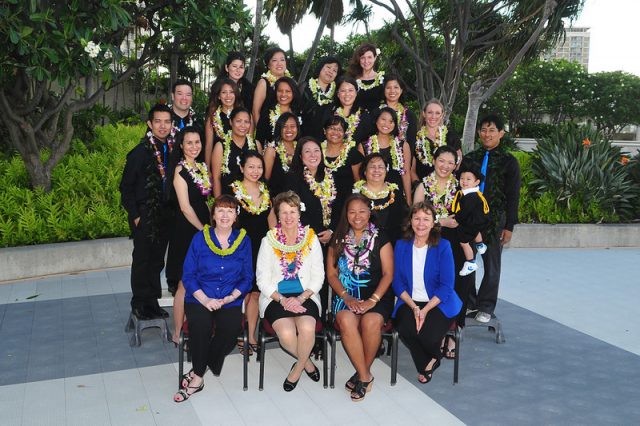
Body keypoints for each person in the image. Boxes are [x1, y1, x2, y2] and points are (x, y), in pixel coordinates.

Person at [174, 195, 253, 402]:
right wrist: (205, 300)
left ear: (236, 216)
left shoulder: (244, 240)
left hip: (230, 298)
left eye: (230, 210)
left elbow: (247, 278)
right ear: (213, 215)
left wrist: (230, 298)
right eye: (220, 210)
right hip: (200, 297)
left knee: (231, 329)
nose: (225, 215)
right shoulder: (200, 238)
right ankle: (198, 378)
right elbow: (188, 275)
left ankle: (198, 370)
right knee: (200, 326)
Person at [326, 194, 394, 401]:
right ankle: (365, 375)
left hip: (377, 295)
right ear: (346, 214)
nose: (357, 216)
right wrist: (346, 297)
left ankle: (360, 372)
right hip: (346, 294)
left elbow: (388, 274)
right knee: (346, 320)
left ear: (369, 212)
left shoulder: (381, 236)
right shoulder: (337, 238)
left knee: (371, 321)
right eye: (352, 211)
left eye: (362, 211)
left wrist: (372, 301)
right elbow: (331, 274)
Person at [256, 191, 324, 391]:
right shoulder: (268, 241)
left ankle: (296, 370)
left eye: (292, 212)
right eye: (283, 212)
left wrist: (302, 298)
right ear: (277, 215)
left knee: (307, 329)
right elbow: (262, 280)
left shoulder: (311, 240)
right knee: (286, 334)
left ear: (299, 214)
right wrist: (283, 300)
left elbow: (318, 276)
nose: (288, 217)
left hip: (306, 295)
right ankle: (307, 363)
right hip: (275, 298)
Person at [392, 201, 462, 384]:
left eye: (426, 219)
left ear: (433, 223)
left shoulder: (443, 246)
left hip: (439, 301)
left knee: (428, 337)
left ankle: (432, 356)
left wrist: (425, 310)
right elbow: (397, 283)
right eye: (417, 218)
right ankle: (430, 361)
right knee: (407, 329)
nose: (421, 223)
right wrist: (415, 308)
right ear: (410, 221)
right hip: (410, 301)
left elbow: (447, 286)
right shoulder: (401, 245)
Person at [120, 104, 175, 320]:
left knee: (157, 261)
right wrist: (136, 215)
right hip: (145, 213)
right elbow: (126, 188)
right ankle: (139, 304)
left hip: (165, 215)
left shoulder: (171, 150)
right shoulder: (140, 152)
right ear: (149, 124)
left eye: (167, 122)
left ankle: (152, 303)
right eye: (158, 121)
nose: (163, 126)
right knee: (142, 259)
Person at [413, 145, 469, 359]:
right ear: (434, 161)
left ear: (456, 165)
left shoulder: (461, 185)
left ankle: (451, 334)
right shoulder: (423, 186)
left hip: (455, 244)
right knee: (432, 286)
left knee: (454, 286)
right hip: (429, 243)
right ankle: (432, 330)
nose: (445, 166)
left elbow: (468, 215)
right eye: (441, 161)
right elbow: (416, 217)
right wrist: (439, 221)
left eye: (450, 162)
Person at [464, 114, 521, 323]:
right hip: (469, 219)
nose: (487, 134)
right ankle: (469, 301)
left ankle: (486, 306)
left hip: (494, 221)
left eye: (492, 130)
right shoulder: (471, 159)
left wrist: (509, 226)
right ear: (479, 132)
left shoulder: (509, 162)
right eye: (484, 130)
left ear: (501, 134)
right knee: (466, 260)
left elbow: (513, 195)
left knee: (492, 263)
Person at [165, 127, 212, 343]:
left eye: (197, 142)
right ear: (181, 146)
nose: (194, 147)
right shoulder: (179, 171)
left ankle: (195, 326)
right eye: (189, 143)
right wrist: (203, 229)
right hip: (186, 231)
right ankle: (177, 332)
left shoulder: (202, 167)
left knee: (201, 280)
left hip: (203, 227)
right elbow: (185, 207)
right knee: (185, 283)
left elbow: (205, 201)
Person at [230, 151, 275, 355]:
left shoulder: (266, 191)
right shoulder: (233, 191)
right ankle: (236, 332)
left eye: (259, 167)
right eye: (251, 167)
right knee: (242, 292)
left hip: (262, 248)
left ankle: (251, 335)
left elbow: (272, 221)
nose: (255, 171)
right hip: (239, 248)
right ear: (242, 168)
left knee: (256, 293)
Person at [284, 136, 337, 245]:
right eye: (307, 151)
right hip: (304, 240)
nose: (313, 155)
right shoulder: (292, 178)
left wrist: (331, 230)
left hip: (330, 238)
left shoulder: (331, 176)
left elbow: (339, 205)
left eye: (316, 150)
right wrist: (313, 235)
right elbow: (292, 209)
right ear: (300, 155)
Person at [359, 107, 412, 206]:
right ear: (376, 120)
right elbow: (361, 174)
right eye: (383, 119)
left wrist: (408, 200)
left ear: (395, 124)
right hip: (371, 197)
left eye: (391, 121)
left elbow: (406, 173)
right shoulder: (364, 145)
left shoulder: (403, 145)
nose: (386, 124)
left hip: (397, 196)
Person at [353, 153, 406, 245]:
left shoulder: (395, 192)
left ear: (386, 171)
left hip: (393, 244)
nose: (376, 170)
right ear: (365, 171)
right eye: (372, 167)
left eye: (381, 167)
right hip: (362, 245)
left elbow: (403, 221)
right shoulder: (355, 193)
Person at [322, 115, 363, 227]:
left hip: (345, 207)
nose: (335, 132)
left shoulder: (352, 154)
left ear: (344, 133)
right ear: (324, 131)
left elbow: (358, 182)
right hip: (322, 205)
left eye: (340, 129)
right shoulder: (317, 152)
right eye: (332, 128)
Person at [211, 107, 261, 197]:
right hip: (228, 201)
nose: (243, 125)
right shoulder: (220, 146)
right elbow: (216, 178)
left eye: (246, 122)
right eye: (238, 121)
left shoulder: (256, 145)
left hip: (251, 200)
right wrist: (219, 203)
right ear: (231, 122)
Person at [452, 159, 490, 277]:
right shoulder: (471, 193)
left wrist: (456, 219)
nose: (464, 181)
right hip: (479, 220)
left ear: (477, 181)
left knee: (463, 241)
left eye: (468, 179)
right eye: (462, 178)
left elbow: (464, 212)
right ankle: (480, 244)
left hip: (473, 221)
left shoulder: (470, 197)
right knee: (475, 230)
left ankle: (470, 262)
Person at [411, 99, 461, 183]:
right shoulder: (415, 139)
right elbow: (412, 170)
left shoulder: (451, 137)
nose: (433, 116)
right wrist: (419, 187)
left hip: (447, 188)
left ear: (442, 115)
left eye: (437, 113)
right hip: (422, 188)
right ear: (424, 114)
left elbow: (457, 165)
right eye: (430, 112)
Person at [204, 78, 242, 171]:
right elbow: (208, 146)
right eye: (224, 92)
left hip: (240, 163)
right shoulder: (212, 118)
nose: (228, 96)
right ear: (219, 96)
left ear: (236, 95)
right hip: (218, 165)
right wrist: (208, 170)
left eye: (231, 92)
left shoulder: (244, 115)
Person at [300, 56, 341, 140]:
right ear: (320, 67)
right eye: (328, 67)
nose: (331, 71)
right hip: (303, 139)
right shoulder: (304, 87)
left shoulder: (337, 94)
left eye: (334, 70)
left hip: (326, 142)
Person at [256, 76, 300, 148]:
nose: (283, 94)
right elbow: (259, 139)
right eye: (280, 91)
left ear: (294, 93)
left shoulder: (299, 113)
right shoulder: (267, 113)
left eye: (287, 91)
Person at [252, 47, 291, 127]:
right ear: (268, 65)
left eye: (282, 60)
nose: (279, 63)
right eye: (274, 60)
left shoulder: (291, 83)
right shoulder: (263, 83)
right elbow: (255, 111)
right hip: (267, 132)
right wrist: (261, 133)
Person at [264, 112, 299, 198]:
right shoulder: (271, 150)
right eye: (284, 126)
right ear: (279, 128)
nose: (289, 130)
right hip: (278, 201)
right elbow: (264, 181)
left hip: (299, 201)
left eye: (292, 126)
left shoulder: (301, 148)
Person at [330, 76, 372, 145]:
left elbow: (367, 143)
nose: (347, 94)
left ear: (356, 93)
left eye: (350, 90)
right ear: (338, 94)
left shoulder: (364, 116)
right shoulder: (329, 113)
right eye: (343, 91)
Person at [380, 75, 417, 151]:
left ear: (401, 90)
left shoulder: (409, 115)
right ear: (384, 90)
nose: (392, 91)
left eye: (396, 87)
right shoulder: (376, 112)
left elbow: (411, 143)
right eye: (388, 88)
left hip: (403, 157)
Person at [348, 43, 385, 113]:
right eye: (362, 58)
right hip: (356, 121)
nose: (366, 61)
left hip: (378, 121)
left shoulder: (383, 80)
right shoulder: (351, 80)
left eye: (369, 57)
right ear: (359, 59)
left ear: (375, 58)